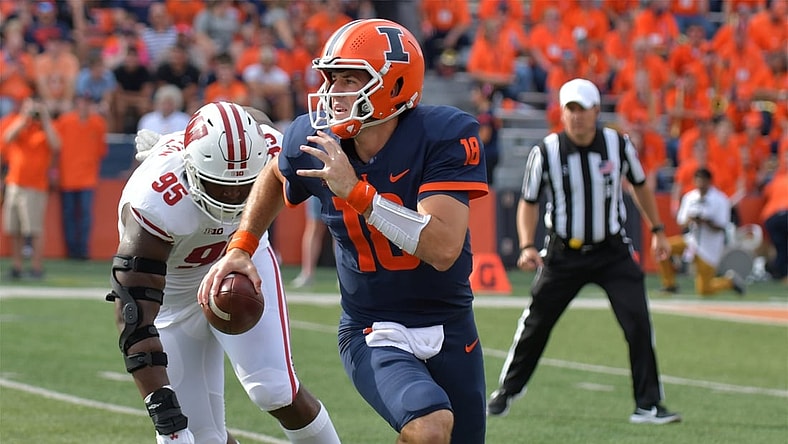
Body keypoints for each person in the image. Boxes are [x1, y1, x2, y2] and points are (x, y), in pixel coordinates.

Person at [199, 19, 489, 444]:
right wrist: (242, 244)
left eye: (351, 79)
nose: (334, 93)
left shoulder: (443, 135)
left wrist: (356, 193)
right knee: (428, 428)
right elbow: (275, 177)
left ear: (393, 86)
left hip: (451, 323)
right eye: (331, 79)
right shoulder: (313, 138)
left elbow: (443, 248)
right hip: (374, 327)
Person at [110, 102, 340, 443]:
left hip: (243, 257)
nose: (233, 197)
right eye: (220, 186)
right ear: (190, 170)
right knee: (199, 436)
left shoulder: (270, 146)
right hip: (174, 296)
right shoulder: (154, 202)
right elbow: (134, 319)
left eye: (244, 185)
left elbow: (257, 121)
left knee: (274, 389)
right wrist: (166, 419)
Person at [486, 78, 681, 425]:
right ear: (562, 113)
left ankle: (648, 404)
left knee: (638, 321)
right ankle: (508, 390)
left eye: (583, 109)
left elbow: (639, 185)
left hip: (612, 250)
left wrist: (657, 230)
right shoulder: (545, 151)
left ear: (596, 111)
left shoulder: (616, 144)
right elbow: (528, 203)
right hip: (564, 252)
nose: (577, 117)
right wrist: (528, 244)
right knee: (535, 323)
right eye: (570, 109)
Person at [657, 168, 745, 296]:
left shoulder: (721, 200)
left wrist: (706, 221)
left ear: (709, 181)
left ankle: (729, 282)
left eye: (703, 181)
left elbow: (722, 226)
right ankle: (669, 284)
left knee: (704, 289)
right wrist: (691, 219)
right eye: (698, 181)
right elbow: (681, 222)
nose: (701, 184)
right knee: (663, 248)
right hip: (691, 240)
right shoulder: (690, 197)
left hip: (709, 247)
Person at [0, 97, 61, 279]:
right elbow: (7, 137)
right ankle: (17, 266)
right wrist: (24, 117)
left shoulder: (46, 127)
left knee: (33, 229)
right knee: (14, 228)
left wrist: (44, 118)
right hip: (14, 183)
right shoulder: (17, 122)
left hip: (35, 186)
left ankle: (36, 267)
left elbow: (56, 145)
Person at [53, 94, 108, 260]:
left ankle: (83, 250)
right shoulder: (65, 121)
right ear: (76, 103)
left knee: (84, 215)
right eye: (82, 101)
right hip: (68, 176)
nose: (84, 105)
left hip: (87, 177)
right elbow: (55, 147)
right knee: (70, 215)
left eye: (87, 102)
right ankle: (72, 250)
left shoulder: (98, 123)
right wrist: (54, 171)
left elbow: (101, 150)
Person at [291, 195, 327, 288]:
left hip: (339, 183)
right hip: (317, 184)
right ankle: (307, 273)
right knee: (314, 226)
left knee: (340, 228)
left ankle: (343, 275)